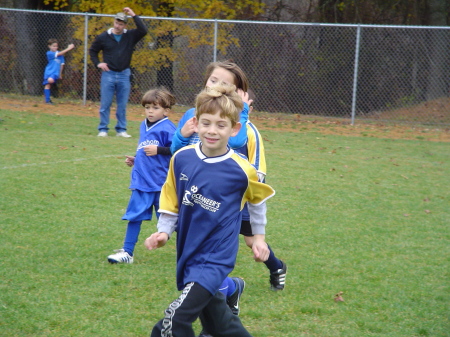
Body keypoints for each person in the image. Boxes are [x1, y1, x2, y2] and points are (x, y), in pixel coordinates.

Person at [144, 83, 275, 337]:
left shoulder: (241, 169)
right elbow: (171, 198)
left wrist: (258, 237)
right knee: (220, 325)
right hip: (189, 249)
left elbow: (257, 200)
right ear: (195, 123)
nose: (212, 131)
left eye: (220, 125)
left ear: (234, 129)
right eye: (206, 123)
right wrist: (164, 232)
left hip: (216, 256)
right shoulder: (181, 158)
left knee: (173, 321)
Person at [107, 87, 176, 264]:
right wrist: (137, 160)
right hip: (142, 183)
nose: (150, 111)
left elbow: (179, 150)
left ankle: (194, 253)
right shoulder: (143, 125)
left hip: (162, 185)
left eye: (155, 108)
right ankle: (127, 252)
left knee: (172, 223)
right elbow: (145, 149)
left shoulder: (168, 128)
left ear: (166, 110)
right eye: (147, 107)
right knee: (134, 216)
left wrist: (159, 150)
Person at [170, 60, 252, 153]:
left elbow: (236, 142)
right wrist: (181, 135)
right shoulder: (190, 114)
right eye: (213, 80)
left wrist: (242, 110)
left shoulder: (236, 117)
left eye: (224, 84)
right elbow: (174, 151)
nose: (216, 85)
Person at [89, 7, 147, 138]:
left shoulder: (130, 36)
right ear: (114, 22)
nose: (118, 26)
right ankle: (103, 128)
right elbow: (93, 51)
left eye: (121, 24)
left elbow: (143, 30)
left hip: (124, 74)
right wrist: (98, 63)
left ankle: (121, 129)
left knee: (122, 105)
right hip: (108, 74)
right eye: (116, 23)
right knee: (105, 103)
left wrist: (133, 14)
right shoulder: (104, 37)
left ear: (125, 25)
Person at [43, 39, 74, 104]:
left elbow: (62, 65)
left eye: (56, 46)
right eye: (53, 46)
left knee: (50, 81)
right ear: (49, 46)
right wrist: (68, 48)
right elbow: (59, 53)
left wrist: (60, 74)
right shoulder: (49, 53)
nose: (55, 47)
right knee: (48, 85)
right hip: (48, 71)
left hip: (55, 73)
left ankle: (48, 99)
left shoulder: (61, 55)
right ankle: (47, 100)